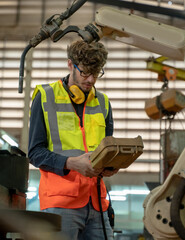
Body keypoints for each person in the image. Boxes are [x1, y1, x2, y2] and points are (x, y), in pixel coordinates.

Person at [28, 40, 118, 240]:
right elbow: (34, 153)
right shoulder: (45, 96)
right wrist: (71, 163)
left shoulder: (103, 102)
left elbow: (108, 149)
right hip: (61, 203)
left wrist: (111, 165)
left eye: (97, 73)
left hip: (97, 203)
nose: (91, 80)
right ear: (71, 64)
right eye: (85, 72)